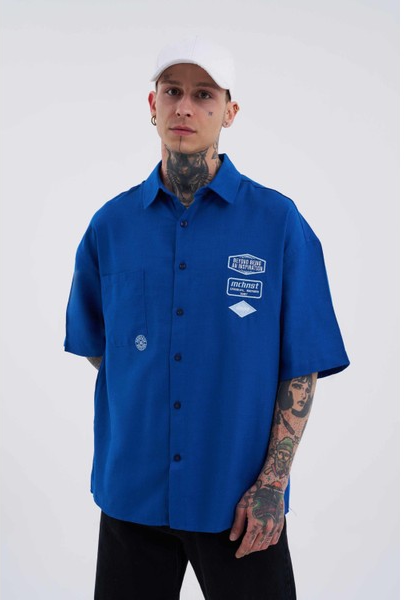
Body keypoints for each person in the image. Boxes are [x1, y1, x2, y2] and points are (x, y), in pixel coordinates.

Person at [64, 36, 350, 600]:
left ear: (229, 111)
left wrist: (271, 485)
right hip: (132, 497)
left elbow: (303, 364)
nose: (185, 107)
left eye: (203, 94)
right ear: (153, 106)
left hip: (237, 502)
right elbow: (101, 346)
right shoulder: (111, 226)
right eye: (172, 92)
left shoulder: (277, 222)